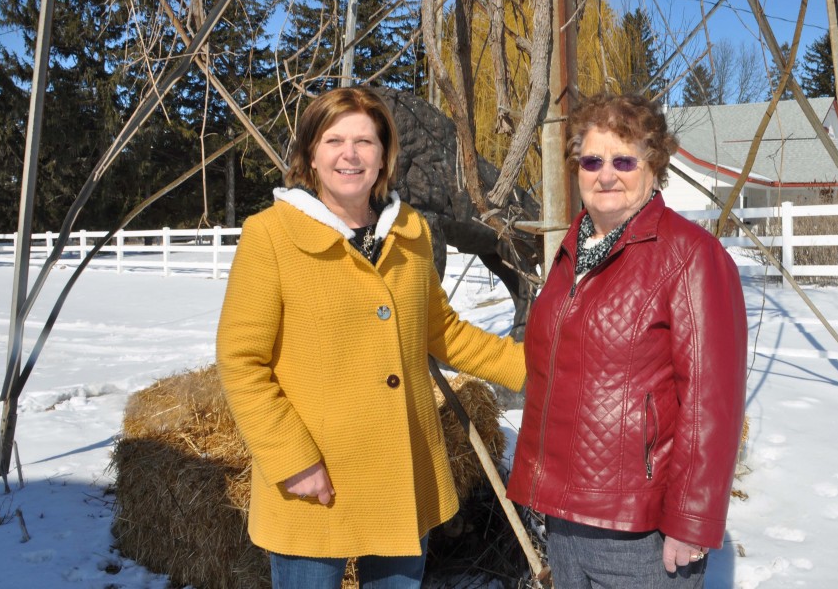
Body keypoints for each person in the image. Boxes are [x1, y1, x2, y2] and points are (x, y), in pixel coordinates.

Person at [215, 86, 526, 589]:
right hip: (315, 482)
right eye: (334, 140)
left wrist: (539, 367)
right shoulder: (270, 235)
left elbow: (442, 332)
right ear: (311, 155)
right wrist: (293, 460)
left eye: (365, 141)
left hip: (401, 475)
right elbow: (241, 361)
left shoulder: (411, 232)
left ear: (384, 156)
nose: (350, 154)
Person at [506, 92, 747, 588]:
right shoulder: (575, 247)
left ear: (653, 167)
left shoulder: (689, 254)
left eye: (623, 160)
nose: (605, 174)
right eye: (592, 160)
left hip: (641, 529)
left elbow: (712, 401)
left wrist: (691, 520)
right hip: (565, 516)